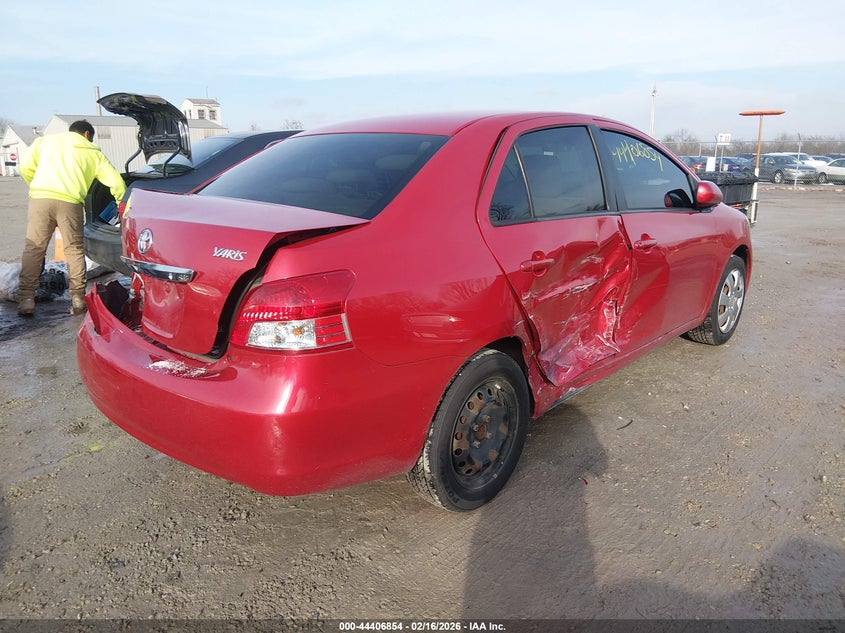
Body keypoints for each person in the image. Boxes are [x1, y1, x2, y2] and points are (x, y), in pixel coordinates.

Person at [17, 120, 126, 316]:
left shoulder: (45, 142)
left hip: (40, 199)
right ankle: (77, 298)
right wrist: (122, 205)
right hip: (71, 203)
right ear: (86, 134)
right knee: (74, 249)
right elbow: (116, 183)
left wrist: (36, 186)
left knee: (34, 248)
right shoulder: (93, 153)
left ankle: (26, 299)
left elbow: (25, 166)